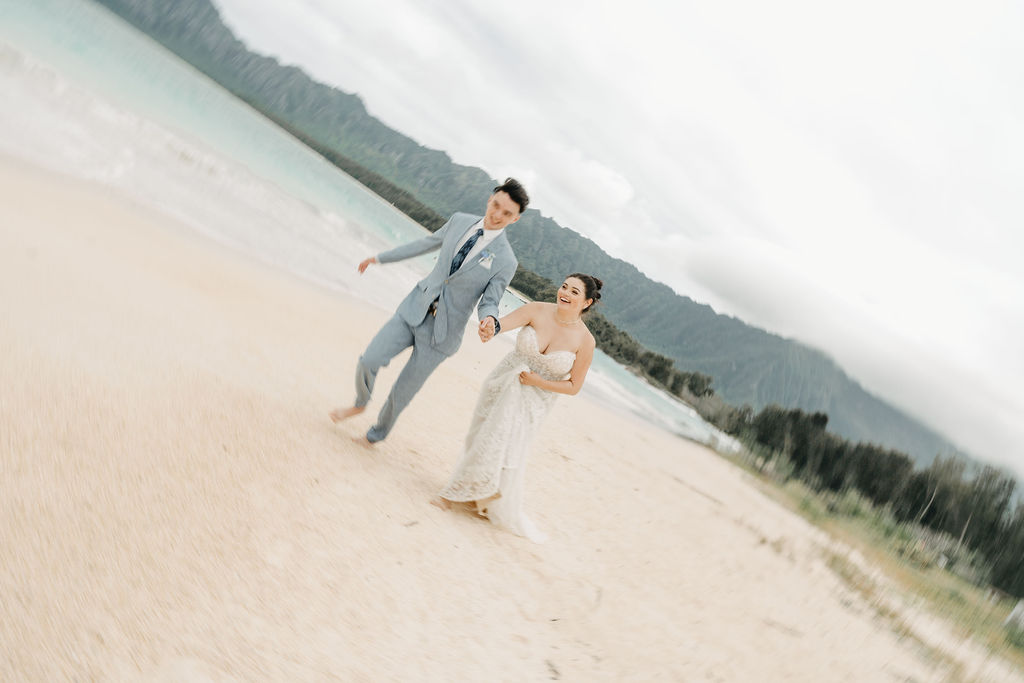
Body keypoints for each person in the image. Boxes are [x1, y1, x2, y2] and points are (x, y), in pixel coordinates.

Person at [329, 179, 528, 443]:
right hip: (414, 308)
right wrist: (379, 258)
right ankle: (360, 403)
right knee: (369, 360)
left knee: (401, 394)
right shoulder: (459, 221)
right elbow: (424, 244)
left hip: (442, 335)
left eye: (507, 214)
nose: (497, 215)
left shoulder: (506, 260)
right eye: (496, 205)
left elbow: (490, 300)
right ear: (490, 198)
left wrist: (488, 320)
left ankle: (375, 436)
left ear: (515, 219)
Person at [433, 273, 603, 542]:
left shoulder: (585, 341)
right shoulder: (536, 309)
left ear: (586, 302)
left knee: (504, 444)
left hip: (536, 400)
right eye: (564, 287)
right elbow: (502, 324)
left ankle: (452, 495)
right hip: (503, 381)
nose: (565, 294)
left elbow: (573, 386)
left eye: (574, 292)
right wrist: (489, 326)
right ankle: (479, 495)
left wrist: (539, 381)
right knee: (482, 436)